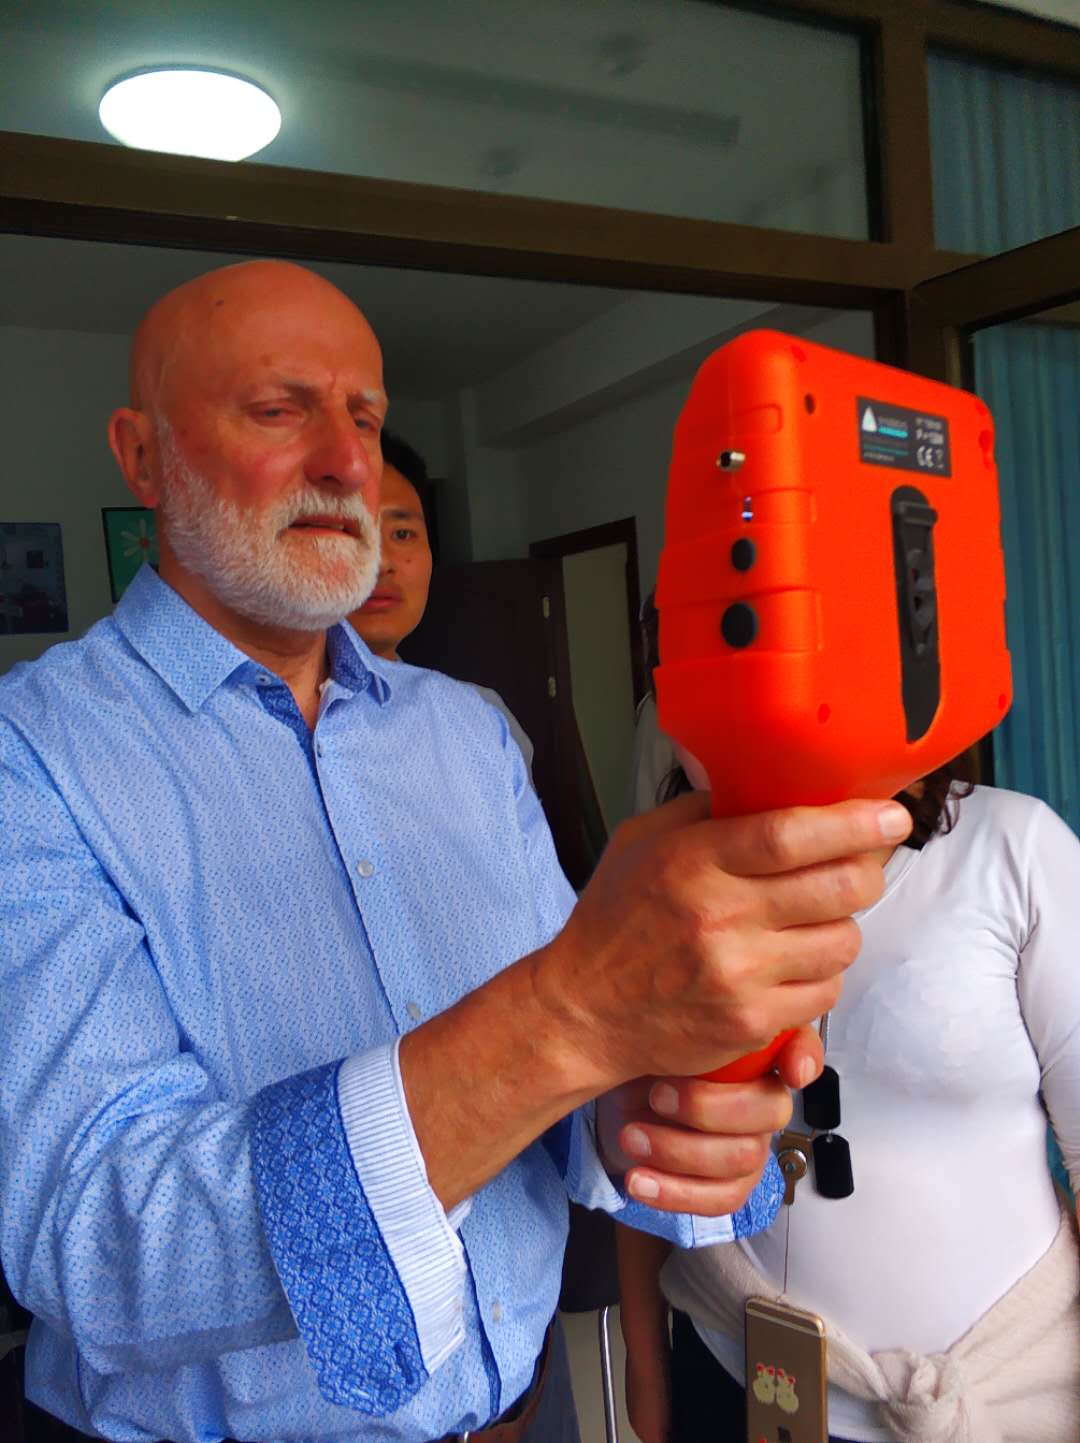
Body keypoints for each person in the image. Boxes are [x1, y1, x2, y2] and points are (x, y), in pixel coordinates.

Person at [0, 260, 909, 1443]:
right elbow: (105, 1241)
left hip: (524, 1411)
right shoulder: (31, 756)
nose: (347, 462)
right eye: (279, 410)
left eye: (366, 417)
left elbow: (577, 1090)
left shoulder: (466, 731)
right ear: (142, 456)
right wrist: (571, 1013)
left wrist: (654, 1103)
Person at [618, 642, 1080, 1441]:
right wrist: (645, 1370)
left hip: (999, 1398)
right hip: (732, 1369)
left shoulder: (1016, 849)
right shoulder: (665, 878)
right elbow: (639, 1150)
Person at [349, 429, 535, 775]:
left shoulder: (480, 720)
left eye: (402, 534)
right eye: (350, 532)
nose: (381, 562)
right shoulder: (252, 733)